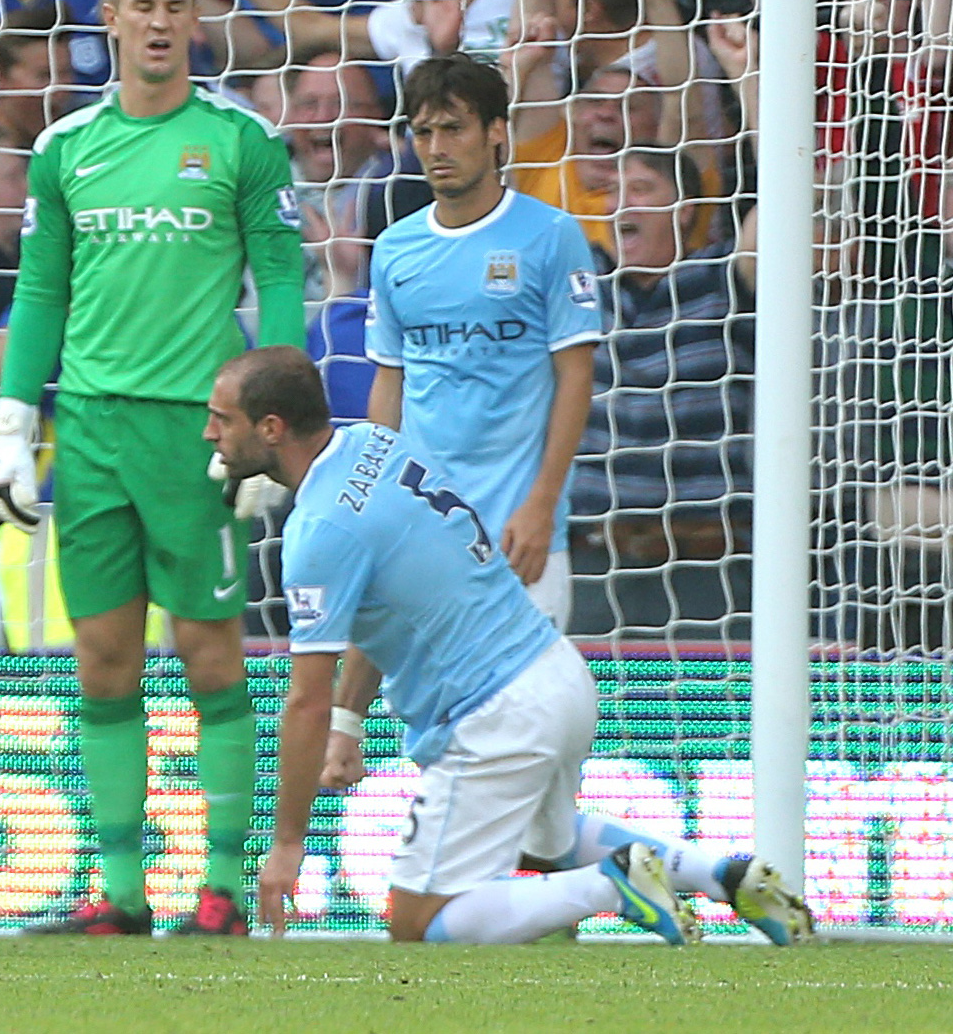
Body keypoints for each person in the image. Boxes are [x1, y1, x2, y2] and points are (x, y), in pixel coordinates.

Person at [222, 347, 815, 943]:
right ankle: (723, 876)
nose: (208, 433)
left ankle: (612, 886)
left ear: (271, 428)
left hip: (496, 713)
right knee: (549, 840)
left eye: (223, 419)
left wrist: (288, 843)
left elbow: (304, 701)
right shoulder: (376, 444)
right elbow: (390, 602)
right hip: (554, 670)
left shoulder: (320, 529)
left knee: (416, 920)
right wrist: (353, 720)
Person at [0, 0, 303, 936]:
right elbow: (40, 289)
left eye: (176, 5)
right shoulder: (64, 149)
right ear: (110, 21)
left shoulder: (242, 141)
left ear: (194, 20)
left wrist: (271, 423)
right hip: (89, 430)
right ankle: (118, 892)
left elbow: (282, 279)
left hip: (195, 438)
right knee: (104, 661)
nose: (160, 22)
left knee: (212, 658)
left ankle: (219, 885)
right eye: (143, 6)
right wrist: (13, 413)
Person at [361, 54, 600, 627]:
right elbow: (389, 381)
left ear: (496, 132)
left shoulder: (551, 235)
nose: (437, 147)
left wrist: (543, 503)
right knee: (425, 710)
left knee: (530, 711)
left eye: (453, 128)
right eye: (424, 131)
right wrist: (375, 498)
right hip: (421, 527)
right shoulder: (394, 248)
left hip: (521, 527)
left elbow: (575, 376)